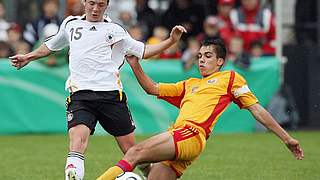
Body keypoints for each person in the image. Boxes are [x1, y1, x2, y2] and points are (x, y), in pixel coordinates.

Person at [10, 0, 186, 180]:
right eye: (92, 3)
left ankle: (151, 175)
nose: (95, 9)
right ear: (84, 2)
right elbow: (51, 45)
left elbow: (144, 51)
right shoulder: (71, 24)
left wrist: (171, 40)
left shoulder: (115, 29)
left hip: (111, 95)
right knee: (77, 143)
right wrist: (28, 57)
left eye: (101, 4)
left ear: (107, 5)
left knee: (132, 151)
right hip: (80, 95)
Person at [97, 39, 304, 180]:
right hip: (184, 140)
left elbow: (257, 110)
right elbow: (152, 88)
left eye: (207, 56)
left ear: (220, 61)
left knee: (135, 151)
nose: (202, 60)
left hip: (190, 134)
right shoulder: (189, 84)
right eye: (199, 56)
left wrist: (287, 138)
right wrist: (135, 65)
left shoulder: (230, 78)